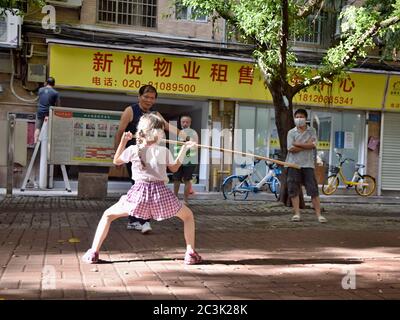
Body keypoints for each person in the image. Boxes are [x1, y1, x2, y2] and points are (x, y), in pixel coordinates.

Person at [82, 113, 202, 265]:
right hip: (161, 195)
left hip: (139, 194)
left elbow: (116, 161)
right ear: (158, 133)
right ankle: (190, 252)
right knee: (188, 216)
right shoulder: (163, 151)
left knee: (107, 216)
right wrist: (184, 149)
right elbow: (175, 167)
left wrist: (123, 142)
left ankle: (94, 252)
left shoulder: (133, 149)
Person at [115, 85, 178, 234]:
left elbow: (167, 126)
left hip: (153, 154)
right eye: (146, 97)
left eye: (152, 98)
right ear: (139, 96)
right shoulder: (130, 111)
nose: (149, 100)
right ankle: (142, 221)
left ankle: (135, 220)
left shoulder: (155, 113)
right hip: (135, 154)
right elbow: (120, 133)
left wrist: (186, 136)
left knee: (142, 187)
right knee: (140, 186)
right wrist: (117, 154)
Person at [286, 108, 327, 223]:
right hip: (293, 164)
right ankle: (297, 214)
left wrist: (298, 144)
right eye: (297, 117)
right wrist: (306, 144)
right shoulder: (291, 132)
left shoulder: (312, 131)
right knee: (294, 189)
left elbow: (313, 145)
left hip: (308, 165)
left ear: (305, 118)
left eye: (301, 117)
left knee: (313, 190)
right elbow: (291, 149)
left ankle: (319, 215)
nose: (299, 119)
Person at [173, 115, 198, 205]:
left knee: (187, 180)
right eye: (183, 122)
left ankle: (185, 200)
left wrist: (190, 143)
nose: (185, 124)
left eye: (187, 122)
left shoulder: (193, 133)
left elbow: (195, 146)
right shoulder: (178, 132)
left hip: (189, 161)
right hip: (178, 160)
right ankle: (175, 198)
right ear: (180, 122)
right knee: (176, 179)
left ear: (190, 123)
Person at [34, 77, 60, 143]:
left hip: (40, 111)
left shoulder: (40, 90)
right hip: (48, 112)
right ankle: (47, 141)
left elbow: (39, 99)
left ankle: (35, 141)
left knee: (38, 127)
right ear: (53, 84)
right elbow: (58, 105)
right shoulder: (55, 93)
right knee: (48, 128)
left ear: (46, 82)